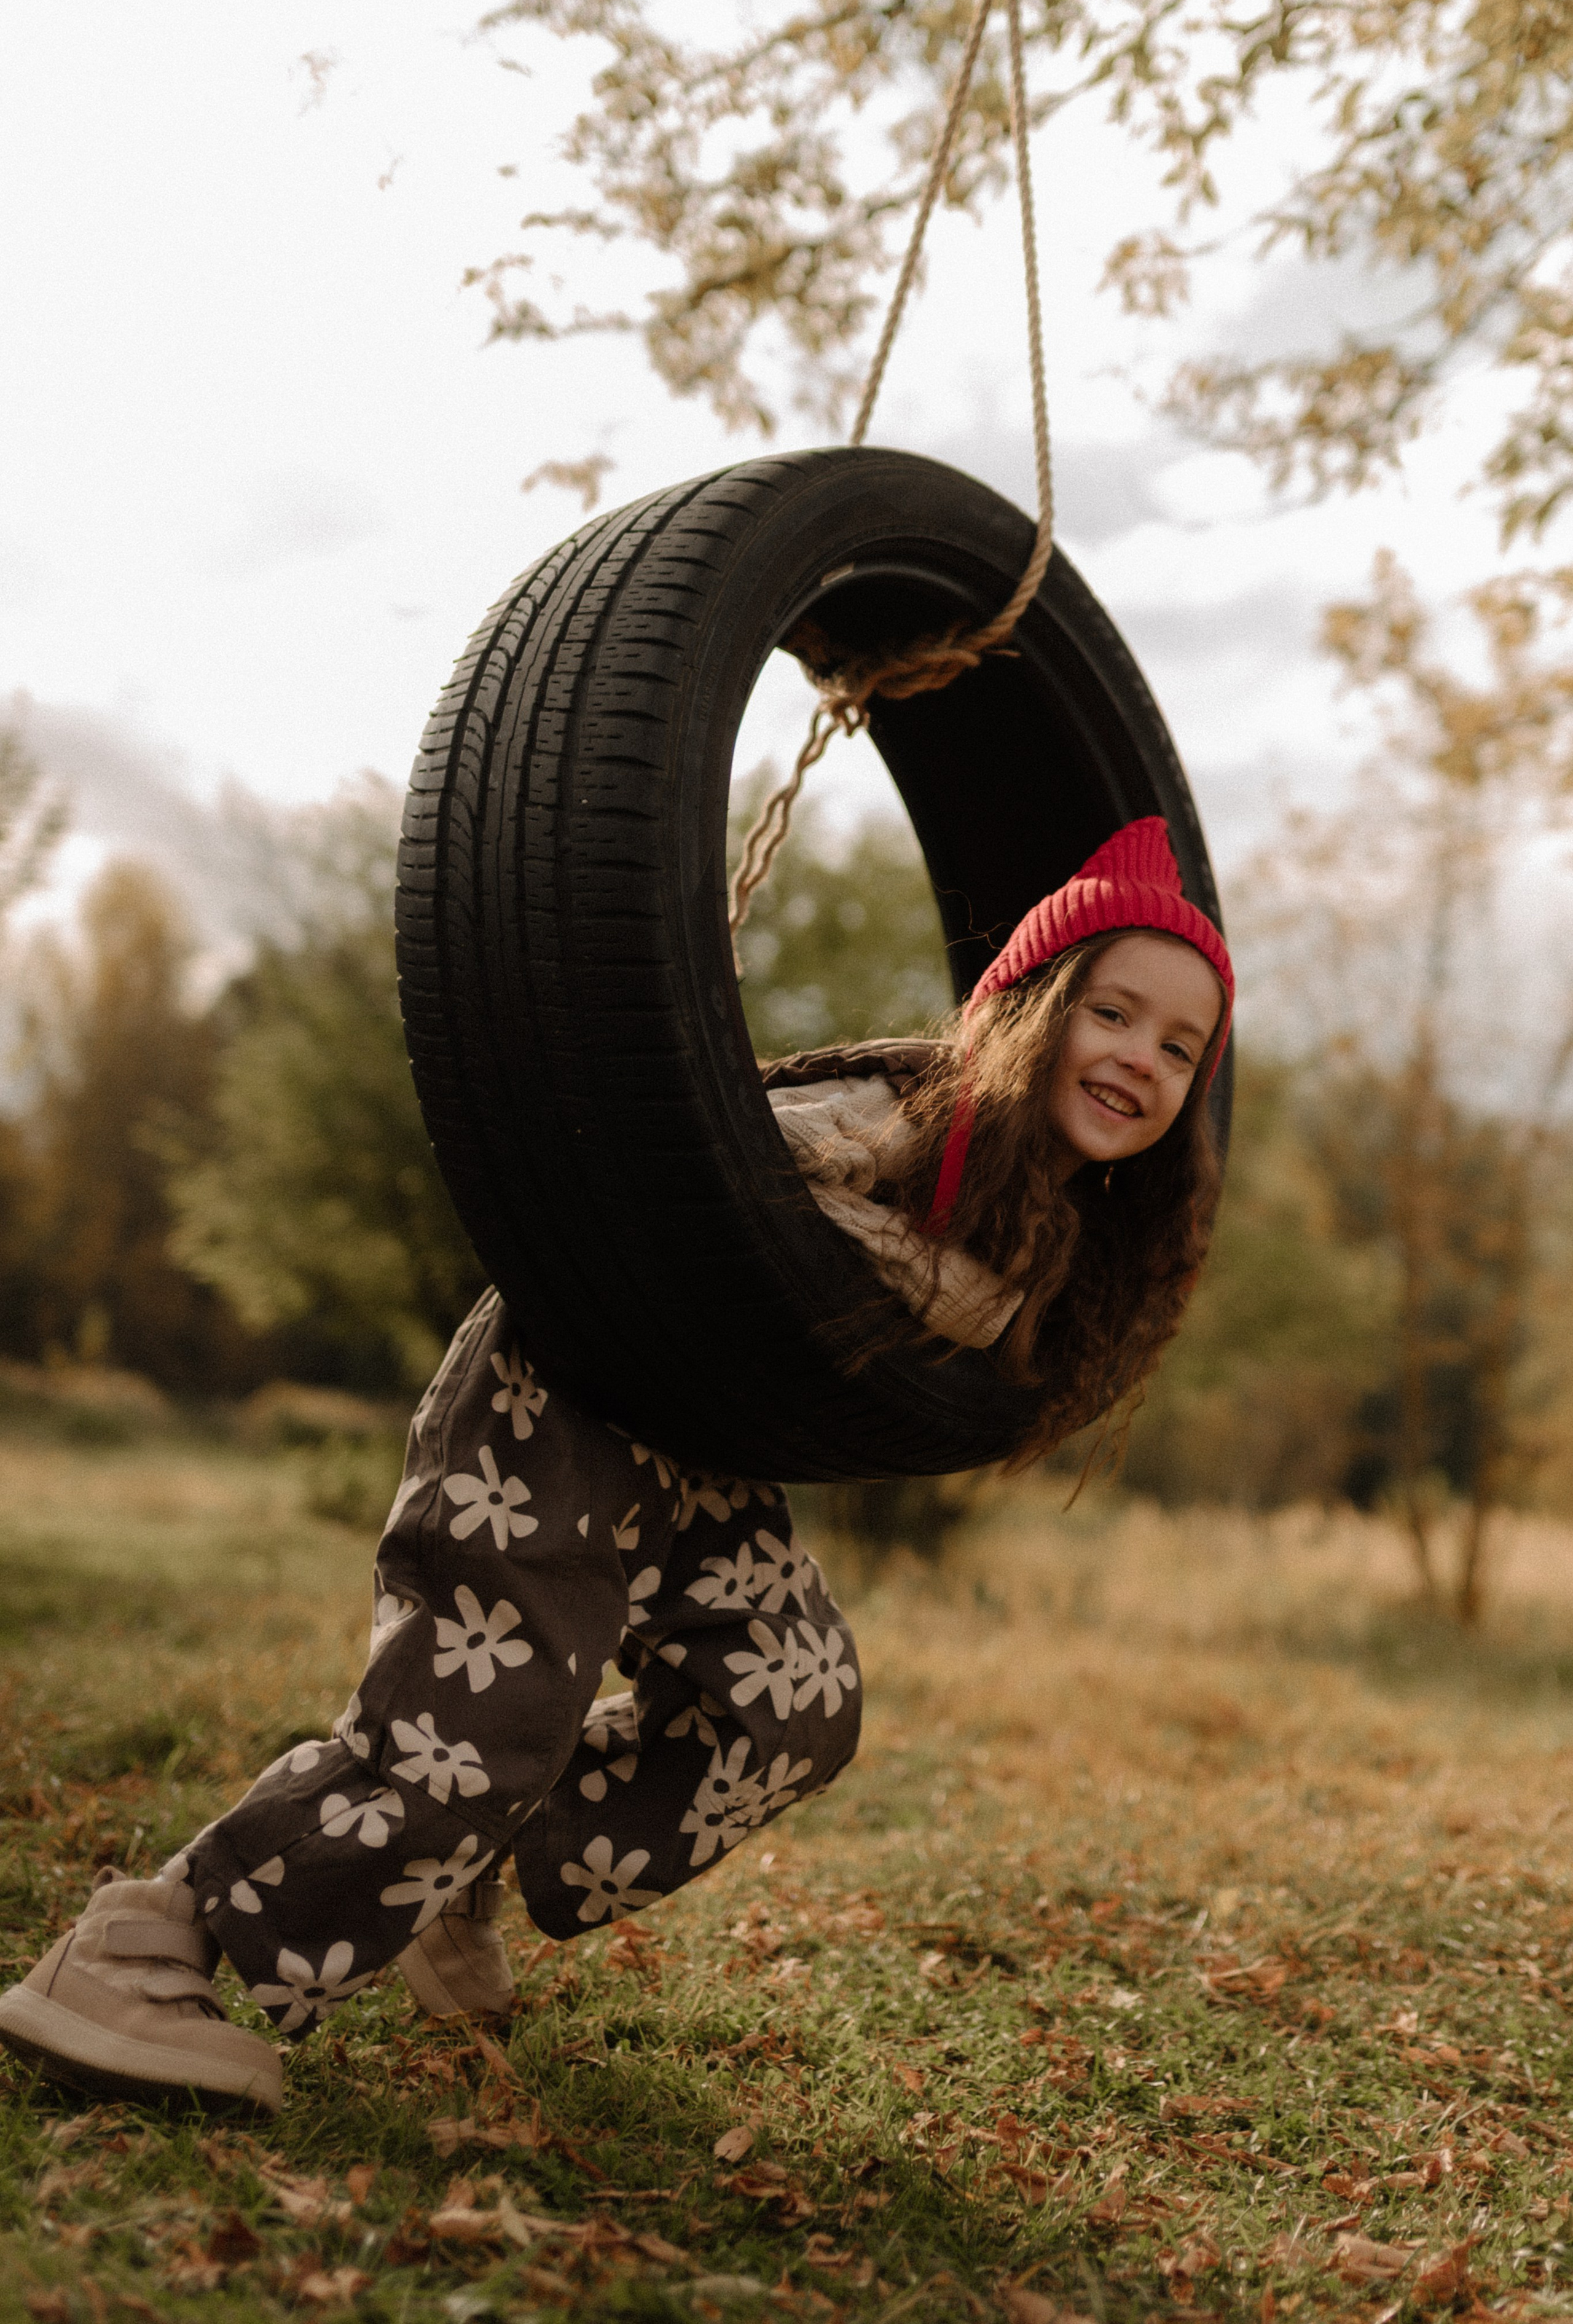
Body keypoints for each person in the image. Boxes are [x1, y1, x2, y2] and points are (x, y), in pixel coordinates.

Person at [0, 816, 1231, 2116]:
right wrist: (927, 1274)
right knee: (471, 1735)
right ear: (1029, 1006)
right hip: (572, 1386)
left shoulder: (1052, 1224)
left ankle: (447, 1876)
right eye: (1112, 1012)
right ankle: (142, 1949)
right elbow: (733, 1172)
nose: (1137, 1060)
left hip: (699, 1446)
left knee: (792, 1708)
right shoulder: (906, 1112)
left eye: (1176, 1047)